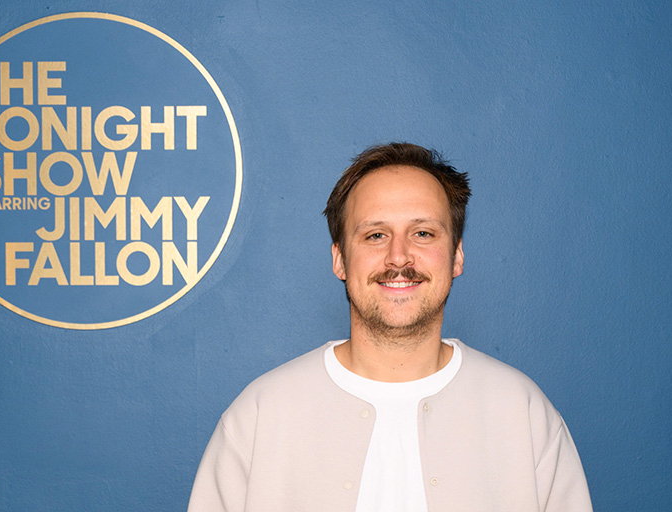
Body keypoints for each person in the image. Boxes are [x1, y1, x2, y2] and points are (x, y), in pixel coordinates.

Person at [188, 142, 592, 512]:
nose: (399, 257)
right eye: (376, 235)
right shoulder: (261, 414)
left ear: (456, 256)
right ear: (340, 260)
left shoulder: (521, 413)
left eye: (422, 233)